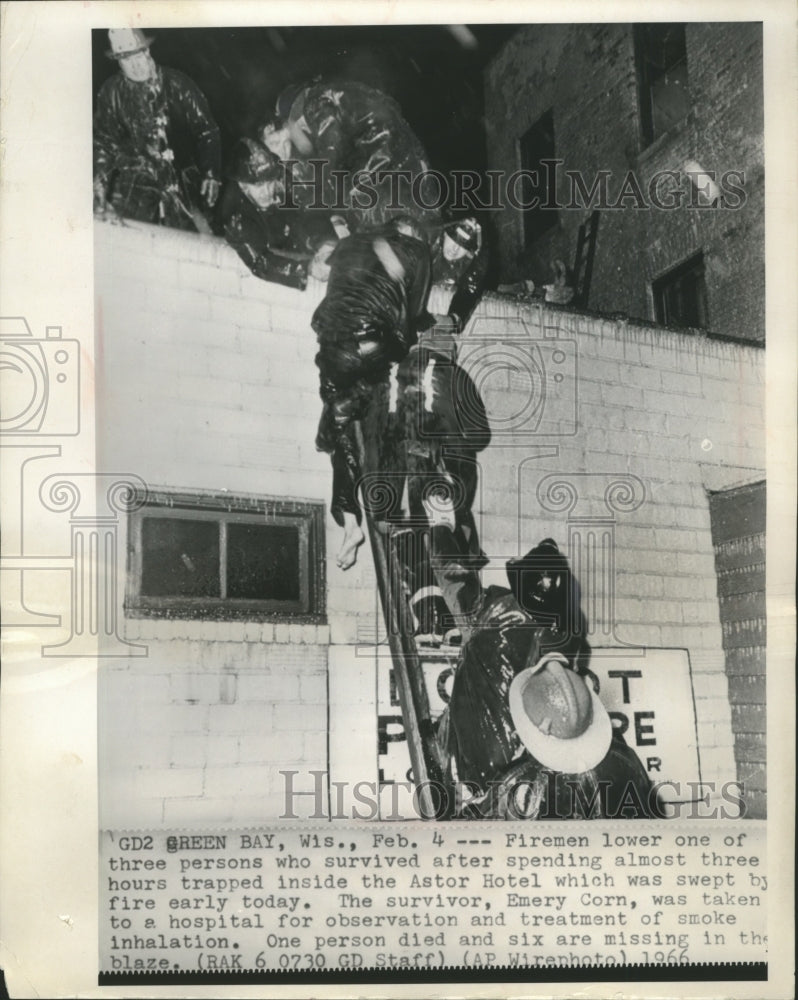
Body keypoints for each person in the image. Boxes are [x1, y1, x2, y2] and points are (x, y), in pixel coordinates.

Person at [424, 495, 660, 819]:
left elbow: (453, 577)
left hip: (488, 768)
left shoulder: (491, 611)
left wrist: (439, 526)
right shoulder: (570, 634)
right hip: (547, 763)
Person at [311, 217, 438, 570]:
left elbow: (326, 277)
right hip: (376, 346)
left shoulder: (352, 243)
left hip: (335, 348)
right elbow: (416, 312)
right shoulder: (416, 249)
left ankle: (351, 523)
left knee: (341, 428)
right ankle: (374, 508)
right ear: (409, 231)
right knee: (364, 418)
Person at [273, 80, 441, 234]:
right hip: (398, 156)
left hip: (381, 158)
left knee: (376, 216)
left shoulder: (314, 103)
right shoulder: (339, 93)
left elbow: (331, 146)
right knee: (419, 218)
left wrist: (317, 184)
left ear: (295, 114)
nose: (306, 131)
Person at [93, 29, 221, 231]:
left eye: (138, 56)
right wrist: (98, 183)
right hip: (134, 187)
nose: (135, 66)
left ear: (147, 52)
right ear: (118, 62)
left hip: (182, 184)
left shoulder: (178, 84)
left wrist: (211, 174)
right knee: (131, 237)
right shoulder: (111, 93)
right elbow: (103, 142)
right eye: (127, 60)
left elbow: (207, 130)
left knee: (191, 239)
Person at [219, 137, 337, 290]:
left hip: (284, 231)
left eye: (269, 183)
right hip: (261, 237)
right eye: (259, 186)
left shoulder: (278, 175)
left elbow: (308, 205)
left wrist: (325, 241)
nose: (267, 191)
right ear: (243, 185)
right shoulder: (235, 216)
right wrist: (307, 268)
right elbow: (260, 262)